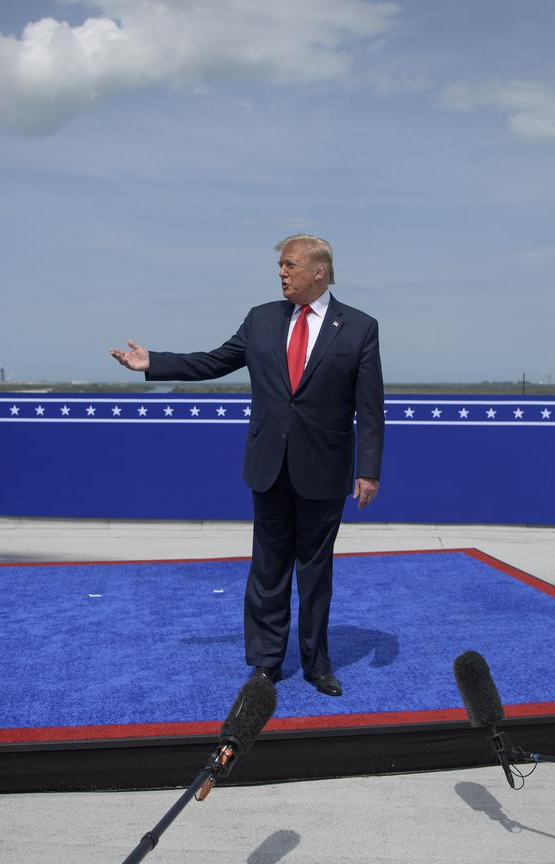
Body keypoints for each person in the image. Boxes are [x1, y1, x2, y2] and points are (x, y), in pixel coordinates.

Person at [109, 234, 384, 697]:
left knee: (315, 573)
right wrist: (152, 362)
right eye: (280, 265)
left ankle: (317, 664)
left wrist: (368, 469)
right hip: (268, 465)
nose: (281, 272)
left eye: (289, 265)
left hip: (325, 468)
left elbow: (370, 407)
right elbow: (215, 362)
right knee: (268, 569)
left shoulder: (359, 327)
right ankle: (265, 662)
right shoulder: (261, 319)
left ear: (319, 271)